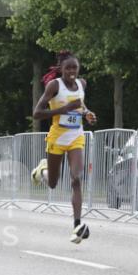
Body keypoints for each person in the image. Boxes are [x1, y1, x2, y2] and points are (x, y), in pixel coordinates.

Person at [31, 51, 98, 243]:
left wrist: (87, 114)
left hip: (76, 137)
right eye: (68, 68)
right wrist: (64, 109)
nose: (71, 71)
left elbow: (81, 106)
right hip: (57, 138)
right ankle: (41, 170)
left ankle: (77, 226)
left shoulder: (82, 84)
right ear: (61, 69)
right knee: (53, 183)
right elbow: (37, 113)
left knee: (76, 178)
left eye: (74, 67)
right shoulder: (54, 85)